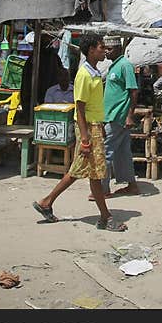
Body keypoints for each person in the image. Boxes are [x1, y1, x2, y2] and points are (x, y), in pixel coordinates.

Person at [32, 35, 127, 231]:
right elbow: (80, 108)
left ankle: (46, 202)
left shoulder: (94, 72)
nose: (105, 51)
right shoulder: (84, 74)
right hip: (87, 128)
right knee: (94, 173)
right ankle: (105, 217)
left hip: (94, 125)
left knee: (84, 171)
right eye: (102, 47)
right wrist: (85, 138)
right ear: (91, 50)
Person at [99, 38, 139, 198]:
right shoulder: (114, 66)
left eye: (109, 49)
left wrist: (130, 116)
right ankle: (132, 185)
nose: (106, 51)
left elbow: (133, 91)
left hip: (119, 117)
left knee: (105, 151)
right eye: (105, 49)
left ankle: (102, 189)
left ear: (117, 49)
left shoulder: (125, 65)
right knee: (123, 152)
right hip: (111, 115)